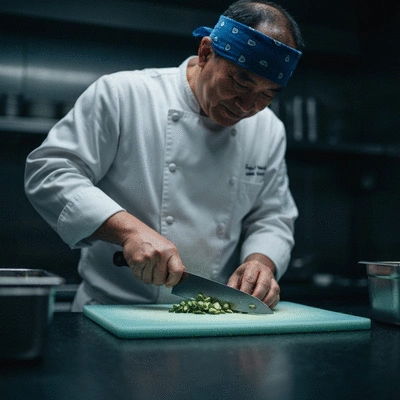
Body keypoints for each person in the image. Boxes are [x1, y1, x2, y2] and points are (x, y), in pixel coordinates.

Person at [24, 0, 304, 312]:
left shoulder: (268, 130)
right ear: (206, 53)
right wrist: (130, 232)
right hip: (111, 311)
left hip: (207, 320)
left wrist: (260, 263)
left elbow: (272, 216)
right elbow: (51, 171)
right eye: (241, 81)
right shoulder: (124, 94)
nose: (247, 106)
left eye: (266, 95)